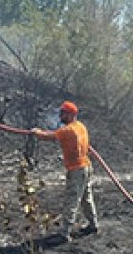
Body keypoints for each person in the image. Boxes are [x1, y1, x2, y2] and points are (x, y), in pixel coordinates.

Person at [32, 101, 98, 241]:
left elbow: (48, 137)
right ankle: (93, 224)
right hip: (86, 167)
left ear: (70, 115)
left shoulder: (67, 131)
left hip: (76, 170)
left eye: (63, 113)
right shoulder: (81, 126)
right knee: (86, 198)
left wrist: (36, 132)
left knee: (71, 200)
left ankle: (65, 233)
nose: (60, 115)